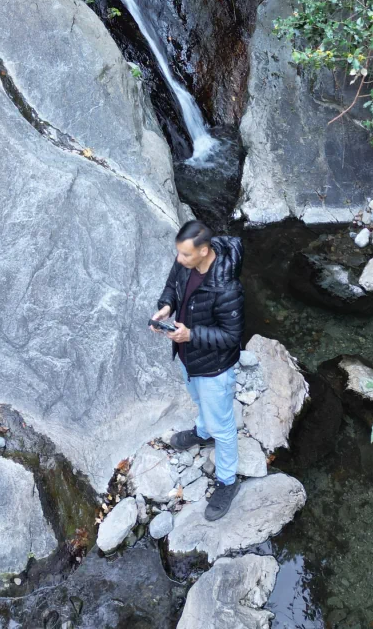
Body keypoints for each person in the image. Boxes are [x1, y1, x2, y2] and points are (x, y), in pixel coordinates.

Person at [151, 219, 244, 521]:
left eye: (186, 255)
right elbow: (172, 285)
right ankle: (204, 432)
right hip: (188, 357)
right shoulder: (186, 262)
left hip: (214, 367)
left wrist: (190, 335)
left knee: (225, 428)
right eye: (178, 253)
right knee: (200, 401)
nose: (179, 259)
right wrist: (166, 306)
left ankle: (228, 481)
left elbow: (231, 336)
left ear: (204, 251)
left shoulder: (227, 287)